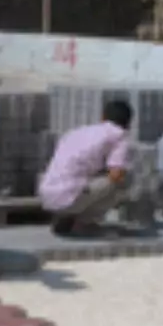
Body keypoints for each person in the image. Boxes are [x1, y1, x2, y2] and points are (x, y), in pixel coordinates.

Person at [38, 99, 133, 236]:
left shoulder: (77, 132)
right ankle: (84, 223)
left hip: (46, 194)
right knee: (123, 182)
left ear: (103, 118)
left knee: (94, 179)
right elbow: (116, 174)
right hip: (69, 196)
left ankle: (68, 217)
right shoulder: (119, 136)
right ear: (128, 123)